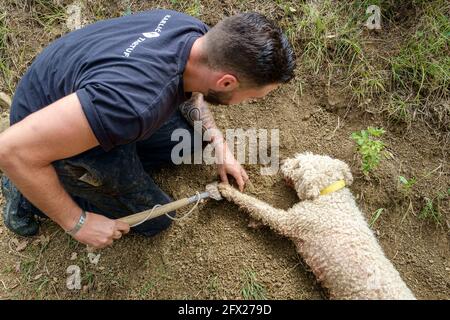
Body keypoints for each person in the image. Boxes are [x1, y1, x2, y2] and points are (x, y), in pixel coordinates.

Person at [0, 9, 295, 249]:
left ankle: (105, 158)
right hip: (41, 133)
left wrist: (217, 142)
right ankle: (25, 193)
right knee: (156, 220)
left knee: (192, 141)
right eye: (253, 96)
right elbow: (10, 150)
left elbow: (192, 94)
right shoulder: (130, 105)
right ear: (226, 82)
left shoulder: (191, 33)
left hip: (89, 102)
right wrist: (77, 222)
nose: (249, 102)